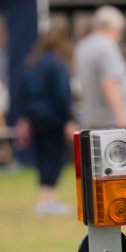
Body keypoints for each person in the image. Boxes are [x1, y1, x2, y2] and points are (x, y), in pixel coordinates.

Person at [14, 28, 76, 214]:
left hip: (36, 118)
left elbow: (22, 92)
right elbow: (62, 94)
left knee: (43, 157)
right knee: (55, 157)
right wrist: (69, 118)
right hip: (54, 118)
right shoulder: (57, 63)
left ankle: (44, 198)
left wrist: (25, 117)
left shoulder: (31, 62)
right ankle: (49, 200)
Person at [74, 5, 126, 132]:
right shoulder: (107, 47)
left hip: (93, 120)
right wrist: (121, 119)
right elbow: (110, 84)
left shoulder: (83, 46)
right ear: (116, 28)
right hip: (112, 122)